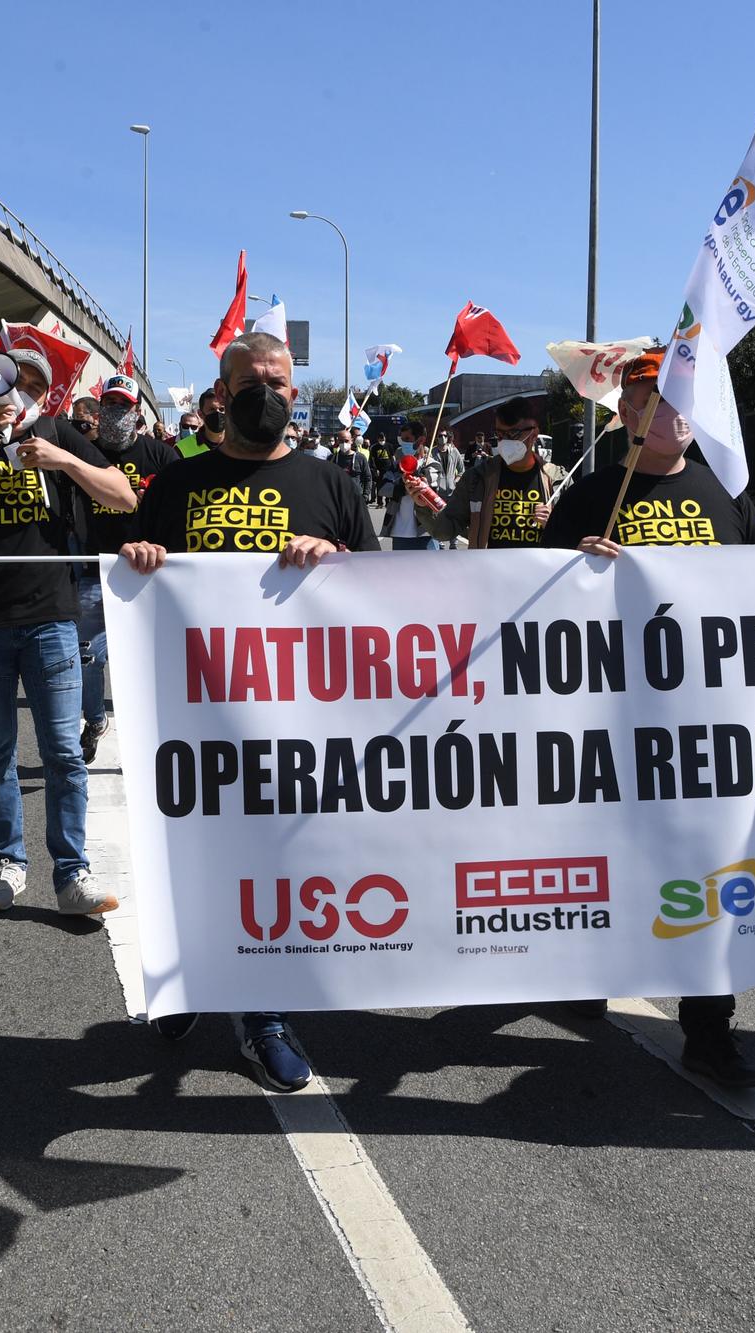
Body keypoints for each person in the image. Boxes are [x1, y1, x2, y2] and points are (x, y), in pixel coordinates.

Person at [541, 348, 755, 1086]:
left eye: (682, 398)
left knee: (710, 871)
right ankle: (590, 964)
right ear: (626, 415)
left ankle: (709, 1029)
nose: (673, 411)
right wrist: (573, 564)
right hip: (610, 720)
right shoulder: (594, 494)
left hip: (708, 727)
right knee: (613, 859)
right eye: (656, 399)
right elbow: (531, 596)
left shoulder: (723, 490)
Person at [118, 330, 378, 1093]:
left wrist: (338, 566)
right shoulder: (173, 487)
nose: (268, 391)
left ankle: (263, 1016)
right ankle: (185, 980)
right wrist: (140, 562)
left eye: (281, 381)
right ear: (221, 394)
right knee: (184, 858)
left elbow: (382, 595)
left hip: (295, 722)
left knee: (273, 865)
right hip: (192, 715)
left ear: (297, 394)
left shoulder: (332, 486)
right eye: (251, 381)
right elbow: (137, 595)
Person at [0, 346, 136, 916]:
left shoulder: (59, 434)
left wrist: (63, 462)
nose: (22, 393)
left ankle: (72, 874)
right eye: (12, 382)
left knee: (64, 753)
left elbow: (124, 496)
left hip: (51, 617)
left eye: (34, 384)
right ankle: (8, 863)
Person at [70, 380, 179, 761]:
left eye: (124, 404)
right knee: (86, 653)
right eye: (110, 403)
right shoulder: (85, 453)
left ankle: (151, 734)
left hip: (149, 573)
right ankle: (95, 718)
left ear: (138, 413)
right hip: (95, 568)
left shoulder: (161, 456)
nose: (117, 410)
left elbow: (183, 510)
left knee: (148, 659)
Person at [425, 400, 554, 550]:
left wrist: (554, 524)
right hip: (487, 571)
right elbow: (444, 531)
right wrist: (423, 503)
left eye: (513, 434)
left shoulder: (556, 480)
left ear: (534, 435)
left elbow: (576, 538)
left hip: (540, 572)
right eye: (500, 434)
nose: (505, 441)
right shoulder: (476, 478)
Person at [378, 420, 442, 551]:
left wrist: (403, 485)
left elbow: (427, 484)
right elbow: (383, 488)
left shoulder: (432, 465)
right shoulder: (396, 466)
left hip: (425, 531)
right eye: (401, 440)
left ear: (421, 440)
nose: (403, 443)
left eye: (407, 439)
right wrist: (404, 486)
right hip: (398, 532)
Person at [176, 389, 224, 458]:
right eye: (211, 410)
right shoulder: (181, 449)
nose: (217, 413)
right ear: (200, 414)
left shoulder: (240, 446)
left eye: (222, 409)